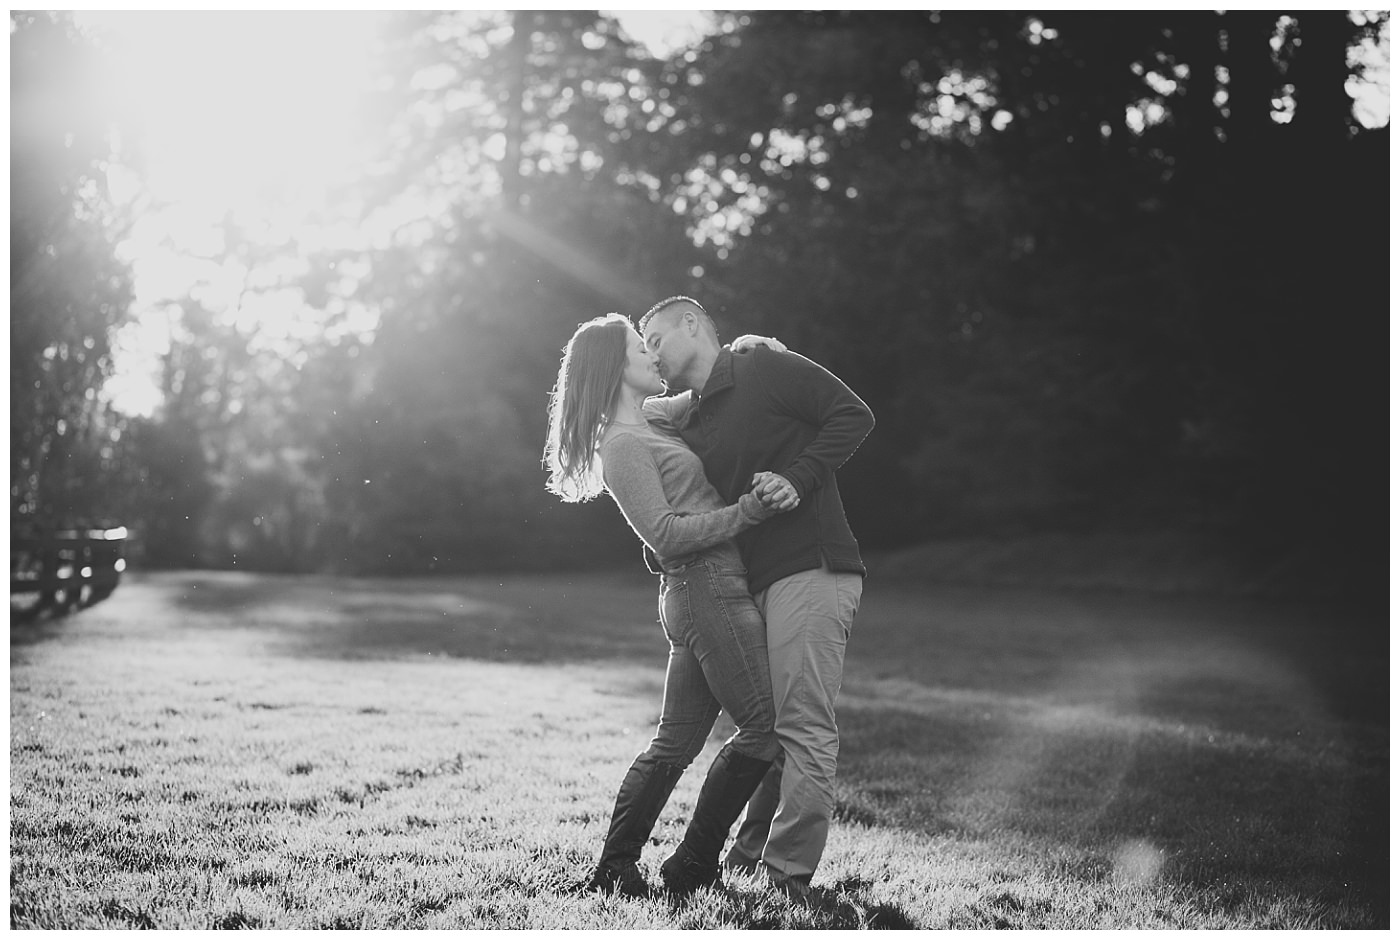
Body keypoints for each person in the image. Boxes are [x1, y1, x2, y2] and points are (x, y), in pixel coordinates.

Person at [543, 313, 796, 898]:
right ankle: (694, 863)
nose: (653, 357)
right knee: (766, 727)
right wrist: (748, 513)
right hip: (705, 587)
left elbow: (711, 387)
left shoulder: (653, 418)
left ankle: (615, 868)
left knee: (675, 744)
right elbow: (665, 534)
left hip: (702, 589)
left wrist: (748, 348)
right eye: (642, 349)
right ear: (614, 366)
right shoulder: (623, 445)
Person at [639, 296, 874, 900]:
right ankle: (746, 861)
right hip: (749, 582)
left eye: (656, 339)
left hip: (810, 566)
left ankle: (787, 877)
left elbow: (853, 414)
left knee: (801, 727)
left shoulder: (763, 367)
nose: (651, 355)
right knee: (768, 728)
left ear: (692, 323)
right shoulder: (689, 417)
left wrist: (797, 477)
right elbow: (629, 416)